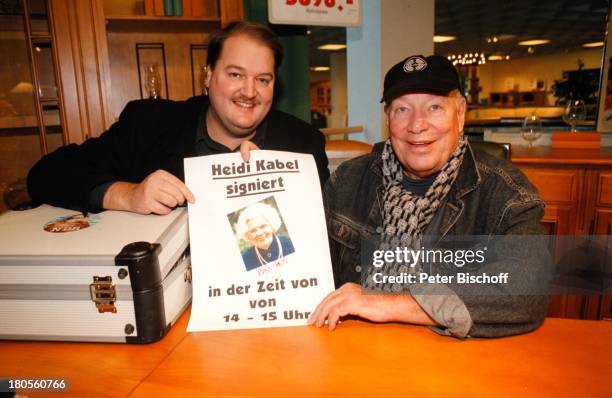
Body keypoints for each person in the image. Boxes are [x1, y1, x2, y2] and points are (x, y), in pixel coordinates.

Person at [309, 55, 551, 338]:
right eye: (402, 110)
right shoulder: (347, 181)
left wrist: (388, 305)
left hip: (454, 364)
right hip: (355, 351)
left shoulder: (505, 193)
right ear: (388, 118)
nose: (417, 125)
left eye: (434, 107)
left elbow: (526, 289)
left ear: (460, 114)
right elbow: (297, 267)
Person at [27, 21, 329, 215]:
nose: (249, 92)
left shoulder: (303, 145)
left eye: (263, 79)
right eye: (235, 74)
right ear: (208, 75)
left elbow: (325, 240)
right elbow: (47, 174)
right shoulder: (148, 125)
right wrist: (127, 195)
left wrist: (272, 189)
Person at [234, 202, 295, 271]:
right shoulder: (245, 259)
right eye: (253, 230)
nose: (259, 233)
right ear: (247, 235)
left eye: (263, 226)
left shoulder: (290, 242)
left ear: (272, 226)